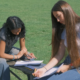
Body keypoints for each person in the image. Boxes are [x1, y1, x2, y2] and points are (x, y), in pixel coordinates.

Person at [32, 1, 80, 80]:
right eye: (55, 18)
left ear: (66, 12)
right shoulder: (65, 31)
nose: (57, 20)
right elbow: (59, 55)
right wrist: (44, 69)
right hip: (69, 62)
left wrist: (69, 66)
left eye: (58, 16)